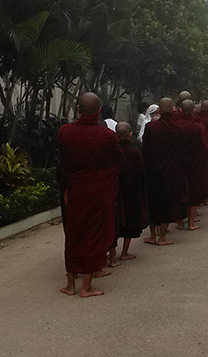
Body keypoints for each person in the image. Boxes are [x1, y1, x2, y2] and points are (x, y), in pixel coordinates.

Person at [57, 93, 125, 298]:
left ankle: (70, 285)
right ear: (98, 112)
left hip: (75, 191)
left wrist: (68, 186)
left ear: (78, 109)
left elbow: (63, 163)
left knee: (75, 234)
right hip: (98, 192)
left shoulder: (65, 132)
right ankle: (86, 287)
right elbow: (118, 160)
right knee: (94, 236)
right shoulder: (106, 136)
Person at [142, 98, 187, 246]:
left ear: (160, 111)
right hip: (172, 171)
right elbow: (182, 151)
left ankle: (152, 236)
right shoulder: (178, 129)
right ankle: (162, 237)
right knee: (168, 203)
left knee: (153, 202)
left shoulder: (151, 127)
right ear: (173, 110)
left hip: (153, 171)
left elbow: (145, 149)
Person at [115, 122, 149, 261]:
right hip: (131, 191)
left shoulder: (112, 151)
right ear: (130, 135)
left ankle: (111, 255)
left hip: (115, 190)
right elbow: (141, 173)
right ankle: (124, 252)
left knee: (114, 221)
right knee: (129, 221)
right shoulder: (134, 152)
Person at [176, 99, 208, 231]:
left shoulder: (176, 125)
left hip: (179, 164)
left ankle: (180, 223)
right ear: (193, 110)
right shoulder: (197, 127)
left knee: (180, 191)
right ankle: (191, 223)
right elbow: (204, 147)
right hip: (194, 163)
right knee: (194, 191)